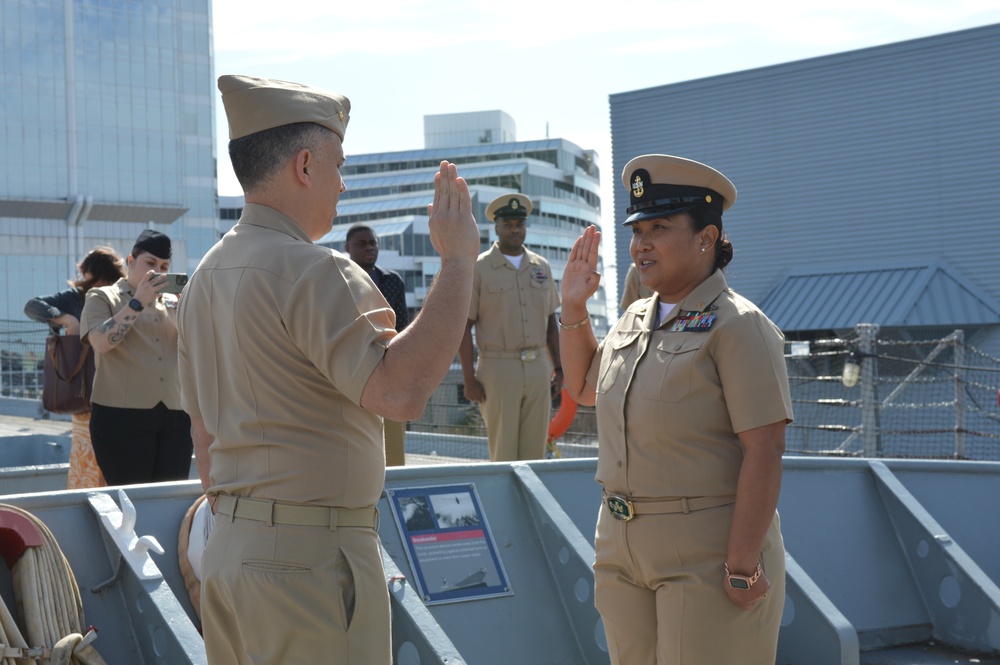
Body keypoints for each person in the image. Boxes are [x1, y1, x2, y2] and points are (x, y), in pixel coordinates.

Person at [176, 74, 479, 665]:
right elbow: (402, 391)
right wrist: (459, 262)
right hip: (310, 562)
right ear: (305, 165)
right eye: (338, 166)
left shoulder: (203, 279)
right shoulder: (318, 271)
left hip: (229, 553)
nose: (343, 184)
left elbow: (203, 433)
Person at [559, 154, 793, 664]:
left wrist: (741, 563)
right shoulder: (633, 319)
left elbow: (766, 449)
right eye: (637, 229)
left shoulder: (738, 326)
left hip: (706, 551)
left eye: (659, 228)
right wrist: (573, 309)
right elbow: (583, 388)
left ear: (706, 237)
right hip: (621, 547)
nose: (641, 243)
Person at [80, 229, 193, 485]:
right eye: (150, 264)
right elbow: (100, 342)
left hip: (175, 416)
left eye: (164, 266)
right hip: (121, 417)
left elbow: (200, 348)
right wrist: (137, 303)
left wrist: (189, 309)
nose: (158, 272)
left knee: (169, 500)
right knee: (132, 501)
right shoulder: (102, 296)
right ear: (130, 262)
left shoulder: (173, 303)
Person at [458, 193, 562, 461]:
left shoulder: (541, 266)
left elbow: (551, 321)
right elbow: (463, 328)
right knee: (504, 453)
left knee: (535, 453)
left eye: (520, 224)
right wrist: (469, 380)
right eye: (508, 224)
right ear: (497, 227)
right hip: (498, 369)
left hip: (538, 366)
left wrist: (559, 368)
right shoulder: (480, 268)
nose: (515, 230)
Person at [24, 246, 125, 489]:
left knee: (111, 458)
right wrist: (67, 320)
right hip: (86, 395)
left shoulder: (122, 296)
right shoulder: (75, 297)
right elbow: (32, 305)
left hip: (118, 391)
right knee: (87, 452)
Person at [344, 223, 410, 466]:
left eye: (373, 243)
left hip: (390, 366)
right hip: (353, 369)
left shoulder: (392, 281)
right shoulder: (339, 280)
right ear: (347, 247)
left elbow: (402, 326)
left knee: (393, 441)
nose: (369, 248)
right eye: (362, 244)